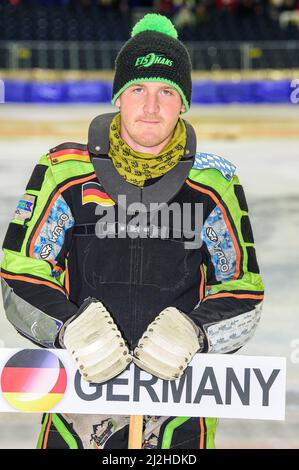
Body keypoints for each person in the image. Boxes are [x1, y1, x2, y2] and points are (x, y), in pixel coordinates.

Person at [0, 13, 264, 449]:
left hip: (180, 408)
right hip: (77, 401)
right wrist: (67, 329)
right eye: (138, 89)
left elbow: (243, 287)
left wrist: (198, 332)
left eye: (167, 92)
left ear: (184, 103)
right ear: (119, 97)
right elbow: (20, 271)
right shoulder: (64, 171)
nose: (151, 106)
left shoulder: (215, 184)